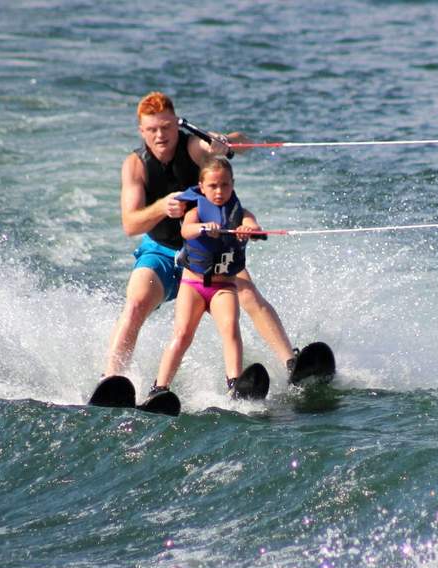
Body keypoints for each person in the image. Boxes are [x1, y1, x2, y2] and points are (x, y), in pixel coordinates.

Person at [103, 92, 295, 379]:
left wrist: (226, 142)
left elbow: (240, 145)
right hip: (162, 250)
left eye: (167, 127)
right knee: (135, 303)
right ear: (141, 131)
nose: (160, 135)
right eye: (152, 129)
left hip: (210, 250)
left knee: (248, 294)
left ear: (176, 125)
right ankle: (111, 380)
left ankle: (293, 364)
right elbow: (130, 225)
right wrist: (160, 207)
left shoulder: (193, 147)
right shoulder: (135, 165)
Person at [149, 158, 262, 396]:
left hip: (224, 287)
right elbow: (185, 231)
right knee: (182, 335)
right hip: (193, 285)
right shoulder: (195, 211)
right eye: (213, 186)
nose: (219, 191)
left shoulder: (241, 213)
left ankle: (234, 384)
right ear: (201, 187)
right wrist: (203, 228)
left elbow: (252, 225)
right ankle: (159, 387)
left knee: (230, 328)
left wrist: (247, 229)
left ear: (233, 184)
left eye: (225, 185)